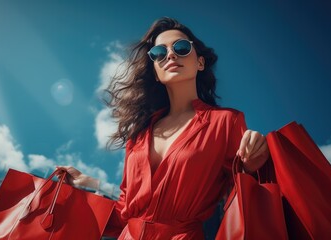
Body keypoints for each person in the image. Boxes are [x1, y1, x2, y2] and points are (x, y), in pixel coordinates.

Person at [57, 17, 270, 239]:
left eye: (181, 47)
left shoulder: (226, 122)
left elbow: (245, 199)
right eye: (159, 52)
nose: (170, 55)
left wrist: (252, 167)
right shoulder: (138, 135)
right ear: (156, 72)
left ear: (200, 62)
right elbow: (124, 213)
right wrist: (88, 184)